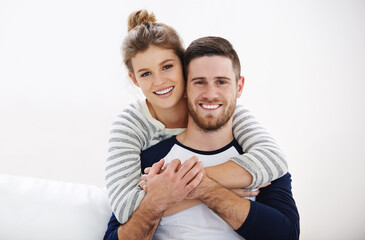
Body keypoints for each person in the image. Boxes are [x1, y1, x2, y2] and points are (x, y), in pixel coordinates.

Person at [104, 36, 299, 240]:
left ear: (239, 87)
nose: (210, 94)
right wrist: (159, 201)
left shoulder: (259, 160)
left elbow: (286, 235)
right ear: (185, 88)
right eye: (199, 82)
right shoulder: (153, 163)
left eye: (222, 82)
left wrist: (200, 187)